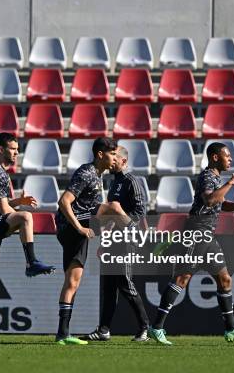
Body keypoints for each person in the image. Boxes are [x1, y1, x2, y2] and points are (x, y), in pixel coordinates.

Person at [149, 142, 234, 345]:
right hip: (196, 233)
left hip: (207, 236)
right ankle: (156, 327)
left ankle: (231, 329)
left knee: (225, 279)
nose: (230, 159)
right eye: (227, 156)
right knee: (182, 278)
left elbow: (220, 203)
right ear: (214, 157)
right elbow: (210, 200)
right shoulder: (207, 176)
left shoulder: (216, 178)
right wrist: (231, 183)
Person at [0, 133, 55, 341]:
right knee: (25, 218)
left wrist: (17, 201)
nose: (16, 152)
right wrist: (16, 218)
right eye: (13, 148)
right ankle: (31, 261)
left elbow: (0, 205)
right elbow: (3, 210)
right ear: (0, 149)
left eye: (17, 148)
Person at [55, 137, 137, 345]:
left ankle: (62, 334)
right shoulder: (87, 173)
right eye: (112, 154)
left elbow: (97, 213)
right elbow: (64, 201)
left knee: (72, 282)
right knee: (115, 207)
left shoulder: (98, 175)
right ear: (101, 154)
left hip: (77, 228)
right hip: (72, 226)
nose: (115, 158)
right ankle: (140, 236)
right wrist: (80, 228)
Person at [80, 145, 150, 342]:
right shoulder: (114, 183)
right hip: (113, 240)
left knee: (125, 282)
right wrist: (106, 240)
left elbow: (138, 213)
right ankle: (103, 330)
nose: (112, 160)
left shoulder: (131, 181)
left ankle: (145, 328)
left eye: (115, 157)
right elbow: (110, 217)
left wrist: (123, 225)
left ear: (124, 161)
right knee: (109, 286)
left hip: (127, 240)